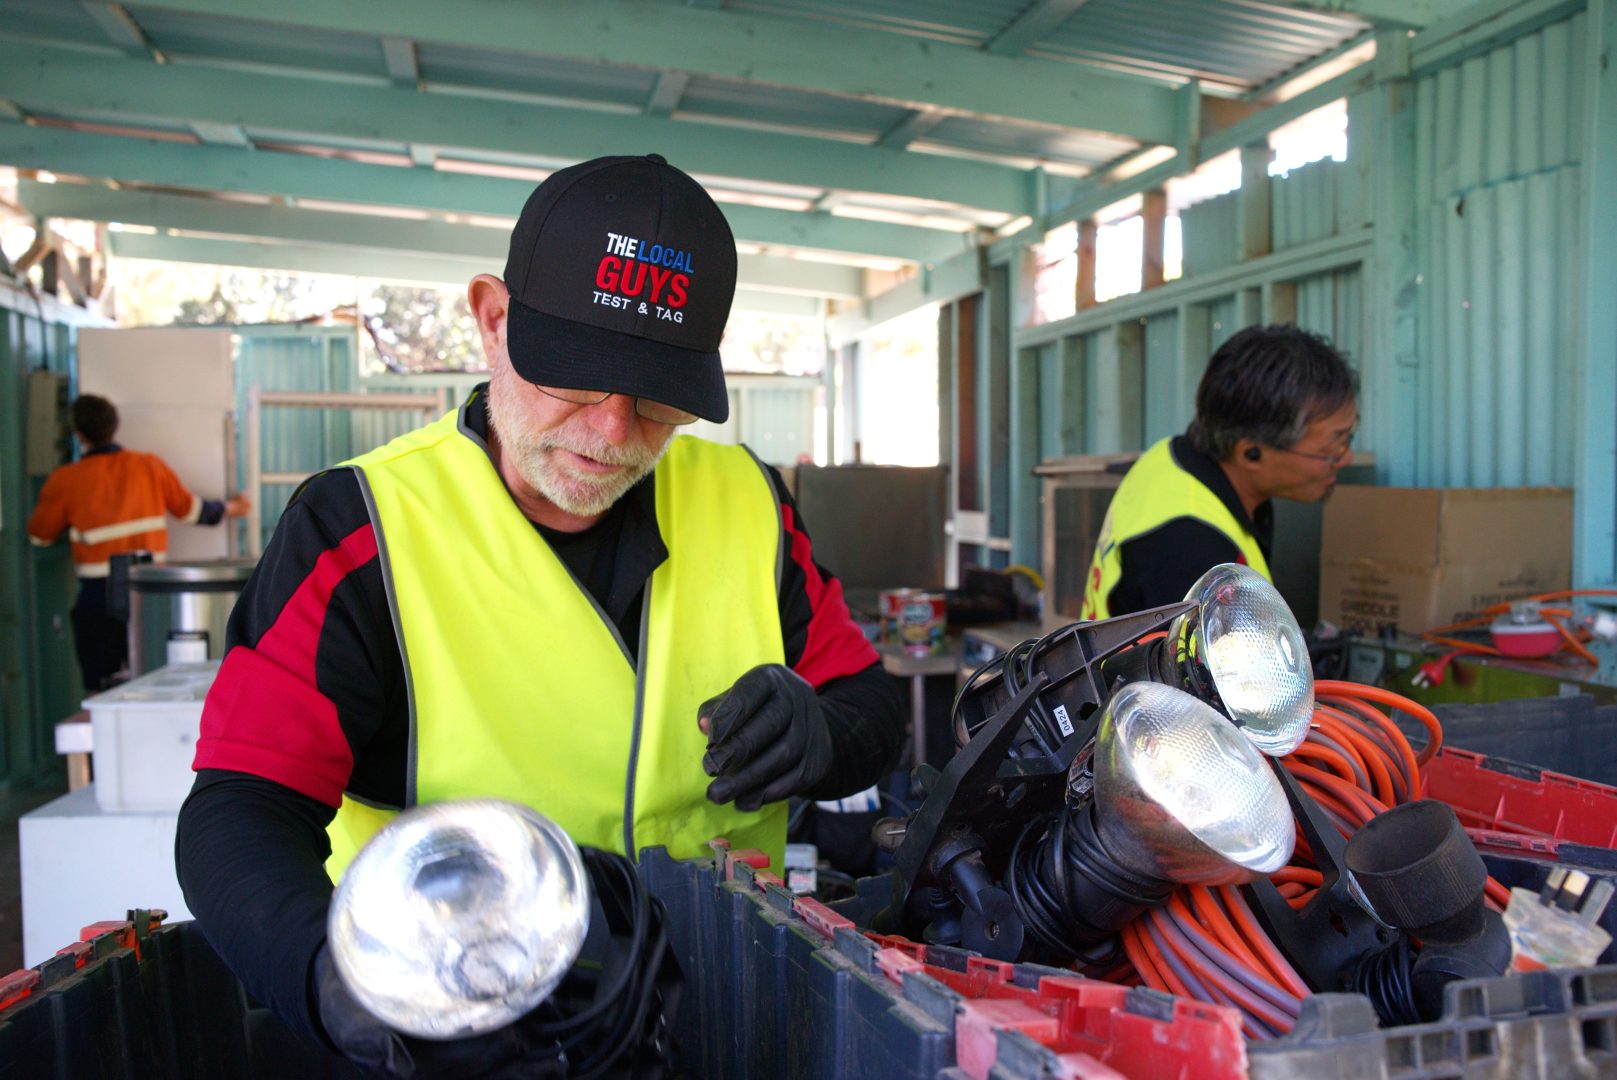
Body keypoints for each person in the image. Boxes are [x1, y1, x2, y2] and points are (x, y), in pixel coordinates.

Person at [174, 154, 903, 1071]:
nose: (610, 431)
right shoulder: (361, 533)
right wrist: (348, 991)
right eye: (576, 377)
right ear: (492, 320)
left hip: (733, 1019)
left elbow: (873, 710)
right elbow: (238, 810)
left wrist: (825, 735)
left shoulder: (749, 502)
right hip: (477, 1037)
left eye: (654, 396)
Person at [1081, 324, 1358, 620]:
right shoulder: (1193, 554)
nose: (1346, 459)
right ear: (1251, 453)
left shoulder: (1171, 456)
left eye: (1347, 440)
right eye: (1333, 448)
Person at [26, 394, 250, 691]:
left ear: (78, 434)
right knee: (157, 683)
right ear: (114, 426)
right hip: (150, 593)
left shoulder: (65, 480)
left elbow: (39, 535)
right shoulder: (148, 467)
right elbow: (192, 510)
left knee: (102, 688)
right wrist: (234, 508)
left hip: (98, 598)